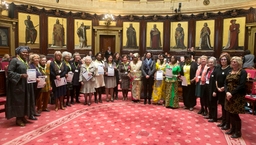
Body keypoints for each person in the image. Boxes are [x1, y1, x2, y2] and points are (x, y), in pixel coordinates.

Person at [5, 46, 34, 126]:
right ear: (19, 53)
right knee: (19, 101)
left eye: (26, 52)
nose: (25, 53)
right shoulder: (14, 60)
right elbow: (10, 72)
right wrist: (20, 75)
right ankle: (18, 119)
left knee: (25, 100)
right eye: (23, 52)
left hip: (26, 84)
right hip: (18, 85)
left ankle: (23, 116)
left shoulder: (25, 61)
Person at [225, 56, 247, 138]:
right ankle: (232, 129)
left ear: (239, 63)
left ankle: (238, 132)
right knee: (230, 113)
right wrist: (227, 92)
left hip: (237, 96)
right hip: (228, 95)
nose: (233, 63)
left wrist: (232, 93)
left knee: (235, 114)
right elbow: (225, 83)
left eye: (235, 62)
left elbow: (241, 85)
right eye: (232, 61)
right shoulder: (230, 71)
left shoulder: (242, 72)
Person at [215, 53, 232, 130]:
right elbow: (216, 79)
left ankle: (227, 124)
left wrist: (223, 88)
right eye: (222, 59)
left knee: (226, 108)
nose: (223, 61)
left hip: (226, 91)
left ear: (227, 60)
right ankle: (223, 121)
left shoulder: (230, 69)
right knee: (222, 106)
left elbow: (229, 81)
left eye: (224, 59)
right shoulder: (219, 68)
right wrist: (217, 87)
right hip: (219, 90)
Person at [29, 53, 43, 120]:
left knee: (35, 99)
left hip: (38, 85)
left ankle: (33, 112)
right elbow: (29, 77)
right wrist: (35, 79)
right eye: (35, 58)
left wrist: (43, 81)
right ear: (32, 59)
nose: (37, 59)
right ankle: (31, 113)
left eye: (38, 58)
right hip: (33, 86)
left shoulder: (37, 66)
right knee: (32, 99)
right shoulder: (30, 66)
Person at [204, 57, 218, 122]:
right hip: (207, 86)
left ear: (214, 63)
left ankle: (214, 117)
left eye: (212, 62)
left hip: (213, 88)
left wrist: (215, 91)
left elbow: (216, 82)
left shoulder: (216, 71)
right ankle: (210, 115)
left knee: (213, 103)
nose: (210, 63)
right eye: (209, 62)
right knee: (208, 102)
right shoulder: (208, 70)